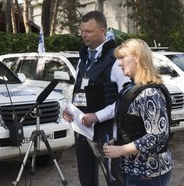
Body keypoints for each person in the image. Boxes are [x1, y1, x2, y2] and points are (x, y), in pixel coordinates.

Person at [62, 10, 129, 186]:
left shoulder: (116, 58)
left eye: (89, 31)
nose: (84, 35)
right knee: (86, 178)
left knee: (113, 178)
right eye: (82, 31)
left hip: (106, 129)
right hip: (82, 128)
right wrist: (68, 109)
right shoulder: (83, 57)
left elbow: (126, 100)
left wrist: (97, 116)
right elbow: (78, 90)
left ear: (102, 31)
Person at [103, 39, 173, 186]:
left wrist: (121, 149)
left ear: (137, 57)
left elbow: (158, 136)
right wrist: (117, 141)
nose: (119, 63)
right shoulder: (132, 87)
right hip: (134, 171)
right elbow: (133, 126)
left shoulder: (149, 93)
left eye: (122, 58)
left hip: (148, 173)